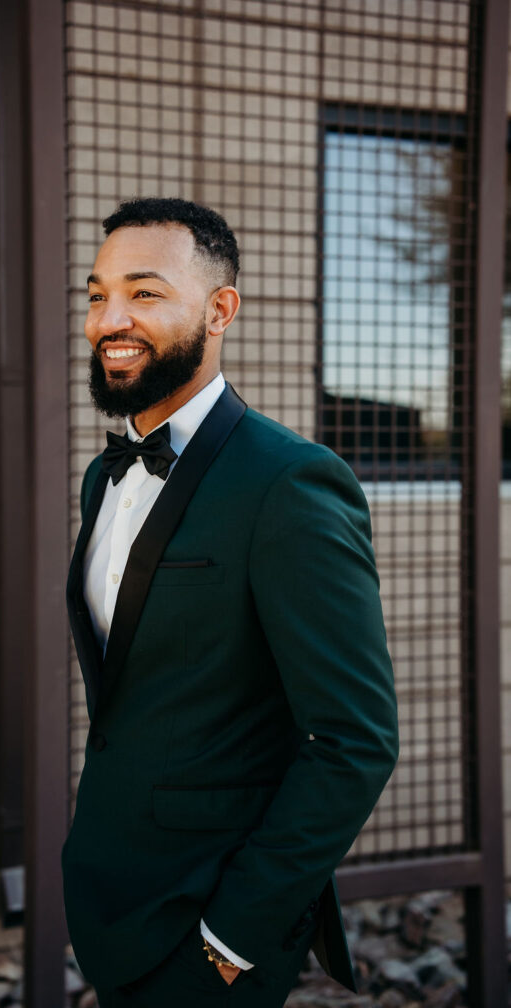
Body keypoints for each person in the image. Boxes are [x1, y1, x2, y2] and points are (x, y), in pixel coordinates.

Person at [63, 197, 399, 1008]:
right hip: (115, 900)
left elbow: (355, 739)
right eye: (96, 293)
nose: (112, 318)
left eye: (144, 293)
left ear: (219, 310)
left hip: (211, 925)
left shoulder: (289, 482)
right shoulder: (104, 477)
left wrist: (235, 933)